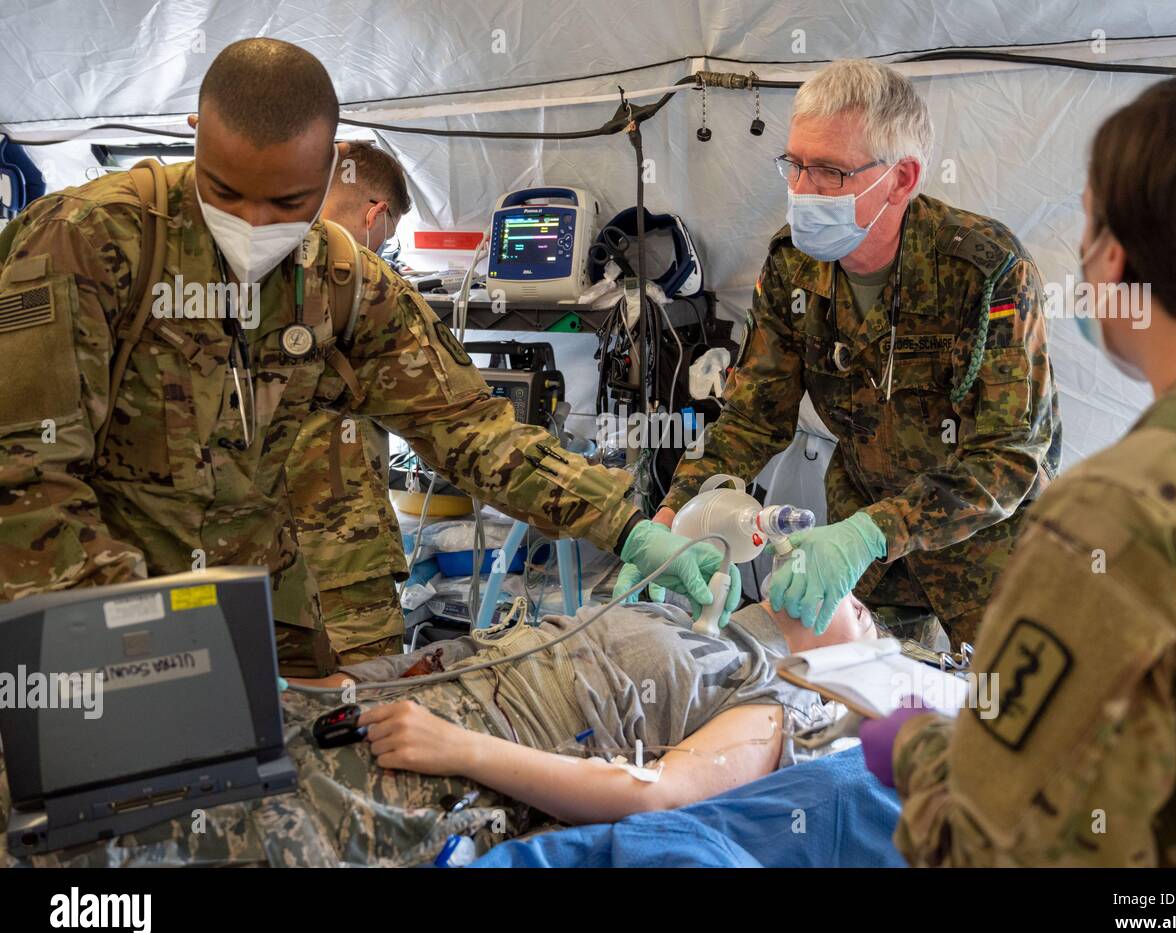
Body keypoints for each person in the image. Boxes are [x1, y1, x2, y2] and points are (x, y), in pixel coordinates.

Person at [0, 38, 733, 678]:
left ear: (331, 169)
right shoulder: (90, 244)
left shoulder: (344, 286)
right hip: (91, 605)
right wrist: (138, 642)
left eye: (287, 201)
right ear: (194, 138)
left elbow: (473, 430)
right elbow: (26, 475)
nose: (253, 225)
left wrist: (624, 522)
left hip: (266, 605)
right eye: (225, 192)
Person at [874, 63, 1176, 866]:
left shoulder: (1122, 513)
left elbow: (1000, 851)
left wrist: (914, 748)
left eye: (1086, 219)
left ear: (1112, 258)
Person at [619, 59, 1060, 647]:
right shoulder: (791, 265)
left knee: (1010, 717)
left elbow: (1009, 456)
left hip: (989, 555)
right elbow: (753, 416)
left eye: (828, 171)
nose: (802, 190)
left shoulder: (986, 270)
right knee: (864, 708)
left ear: (901, 179)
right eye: (795, 165)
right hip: (865, 553)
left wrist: (872, 533)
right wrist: (672, 518)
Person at [0, 593, 867, 867]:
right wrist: (313, 688)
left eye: (865, 607)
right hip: (393, 703)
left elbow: (661, 795)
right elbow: (466, 649)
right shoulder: (670, 600)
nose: (849, 595)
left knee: (189, 836)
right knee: (84, 751)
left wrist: (460, 750)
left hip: (456, 764)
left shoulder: (766, 696)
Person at [285, 142, 414, 663]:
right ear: (376, 213)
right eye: (388, 236)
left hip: (236, 567)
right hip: (342, 559)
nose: (383, 250)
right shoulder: (367, 286)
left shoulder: (231, 260)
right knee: (366, 715)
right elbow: (458, 423)